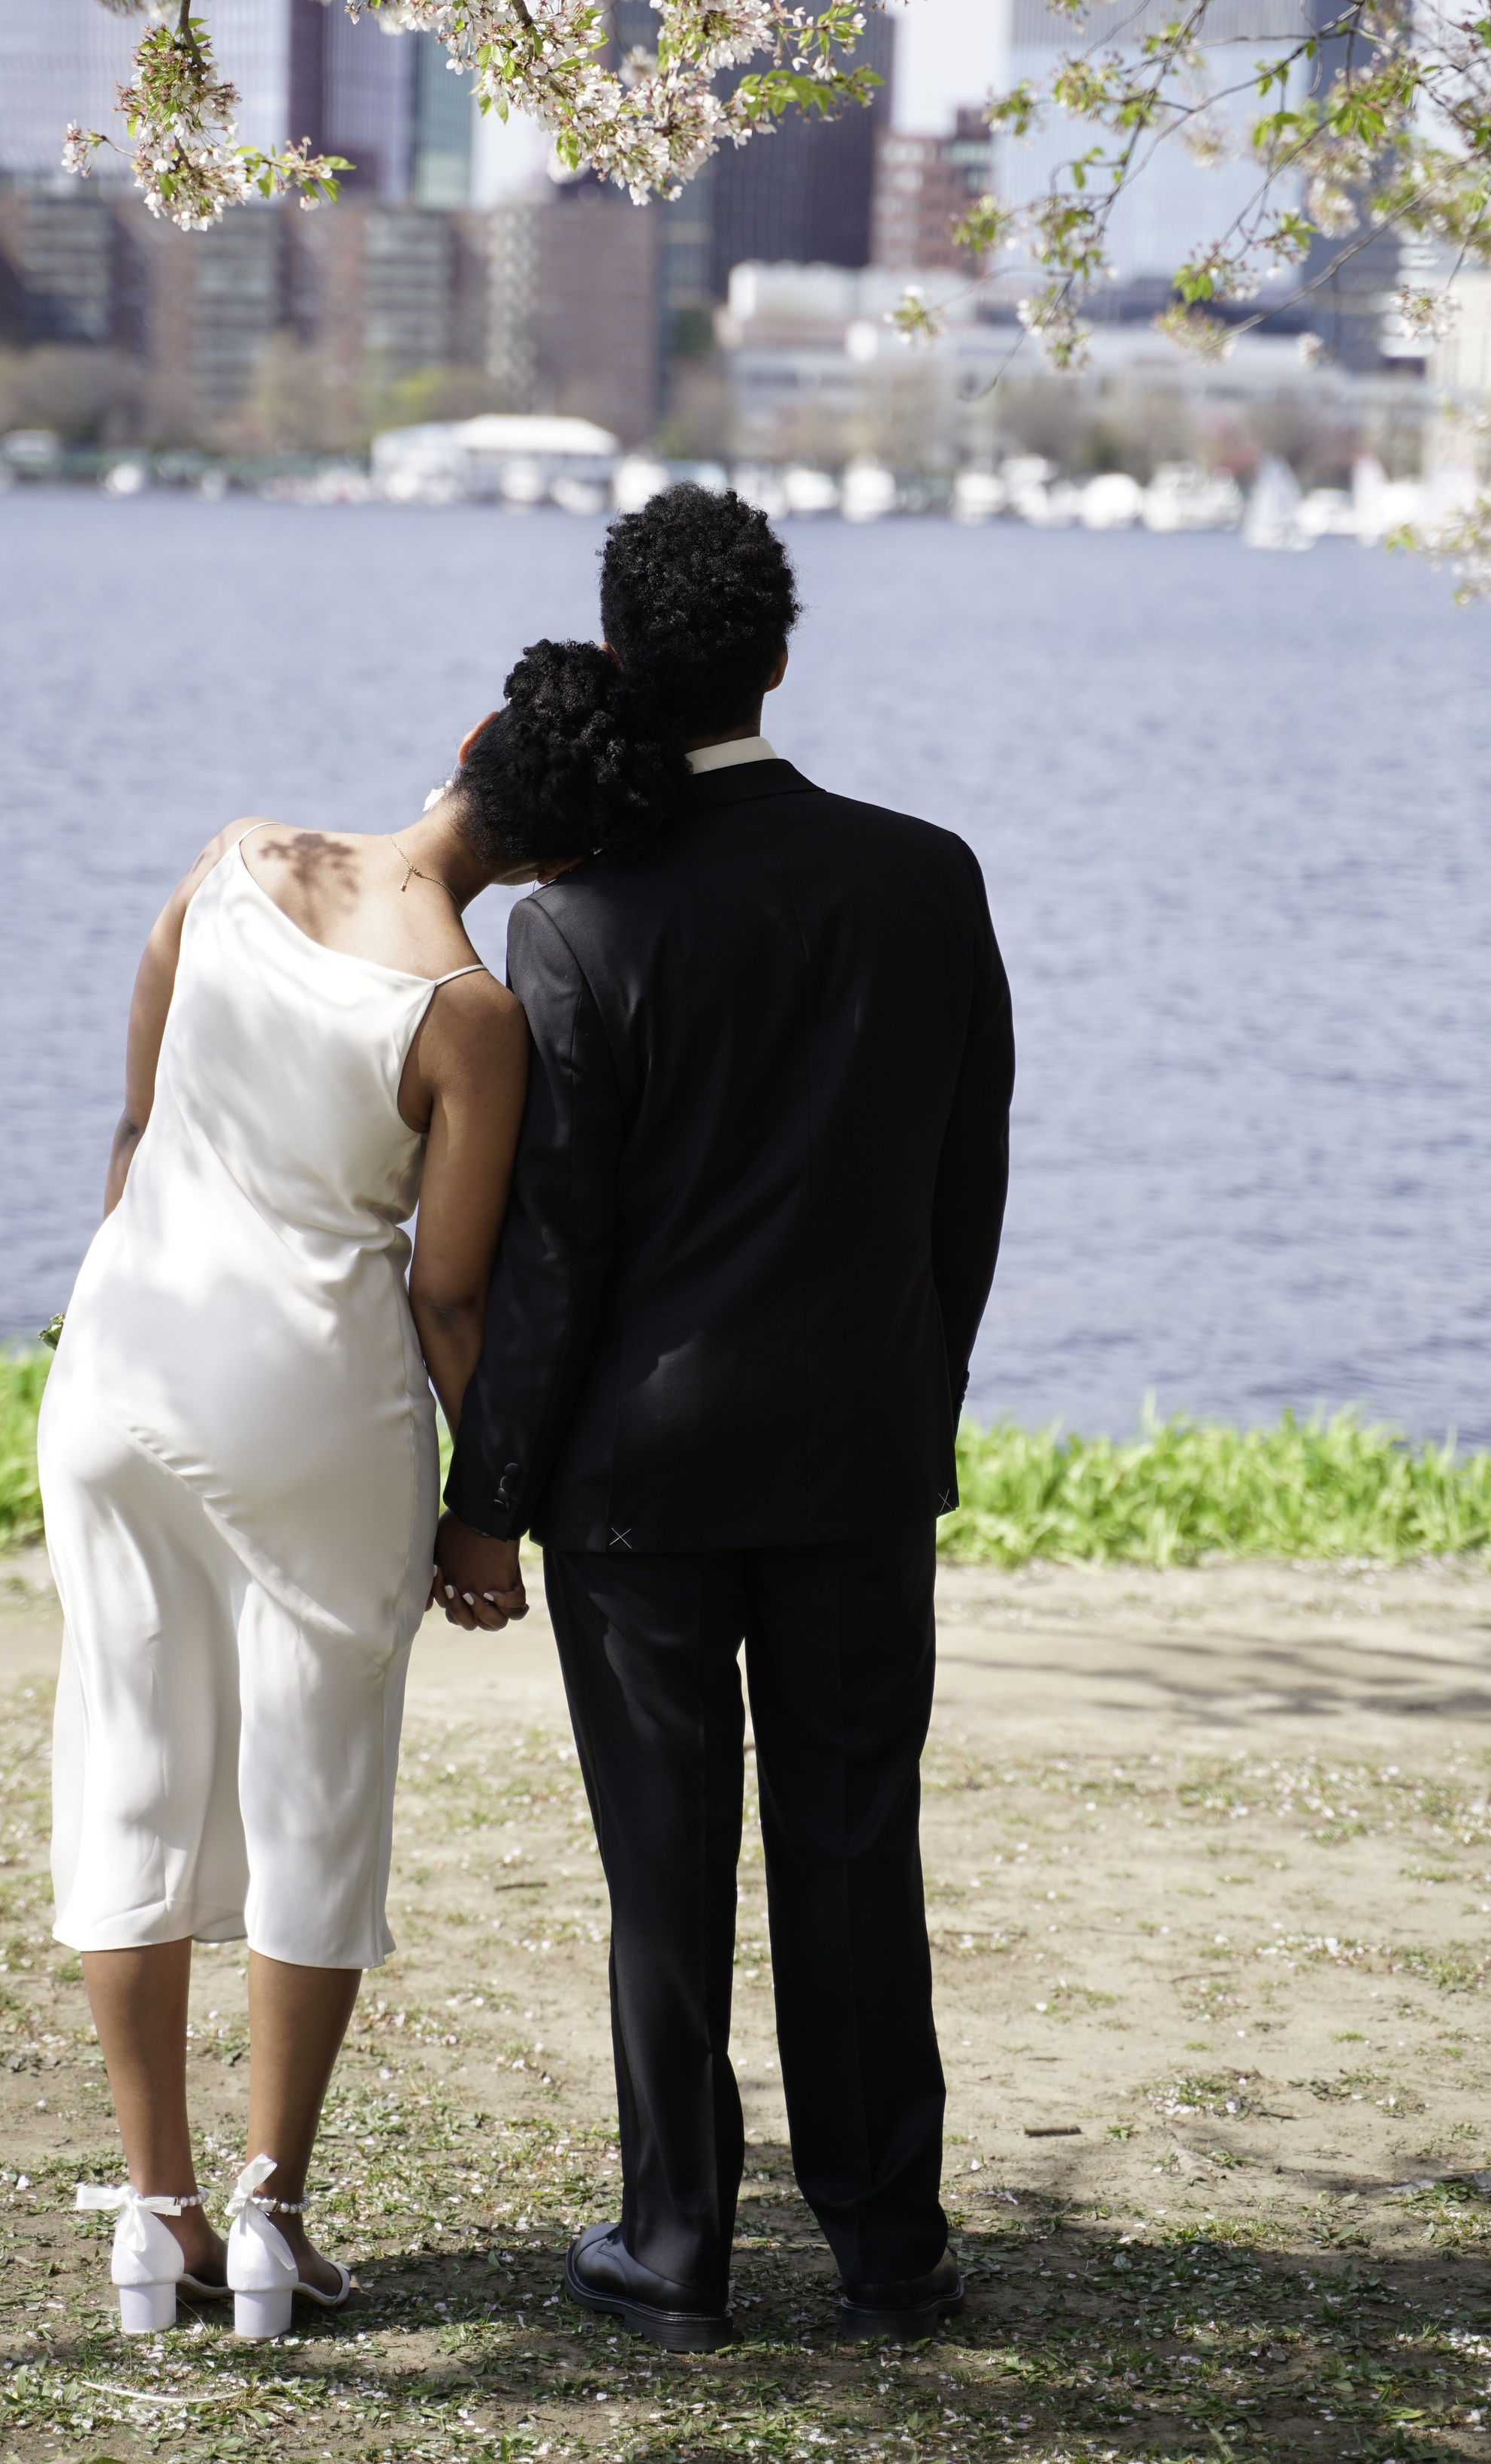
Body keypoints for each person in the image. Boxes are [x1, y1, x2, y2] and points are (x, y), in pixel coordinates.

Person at [39, 642, 686, 2340]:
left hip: (119, 1370)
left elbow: (135, 1124)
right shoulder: (468, 1013)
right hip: (314, 1406)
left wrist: (122, 1308)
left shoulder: (234, 858)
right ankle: (269, 2216)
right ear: (559, 860)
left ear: (469, 739)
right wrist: (491, 1512)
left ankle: (154, 2214)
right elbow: (448, 1294)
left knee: (131, 1768)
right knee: (312, 1793)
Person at [439, 491, 1014, 2350]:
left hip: (637, 1478)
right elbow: (965, 1183)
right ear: (777, 652)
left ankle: (675, 2242)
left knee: (664, 1865)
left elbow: (552, 1251)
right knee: (852, 1843)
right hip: (856, 1448)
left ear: (622, 656)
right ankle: (887, 2245)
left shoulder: (573, 925)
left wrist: (488, 1490)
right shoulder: (925, 875)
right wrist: (917, 1387)